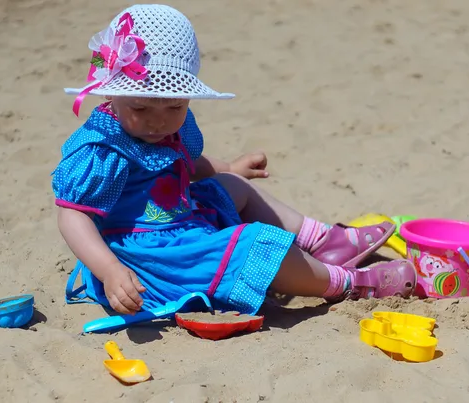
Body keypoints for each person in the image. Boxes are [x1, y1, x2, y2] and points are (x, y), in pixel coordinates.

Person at [52, 4, 417, 316]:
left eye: (175, 106)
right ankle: (347, 284)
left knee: (232, 188)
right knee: (254, 244)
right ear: (110, 92)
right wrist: (109, 269)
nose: (158, 121)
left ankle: (323, 241)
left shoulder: (166, 128)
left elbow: (181, 164)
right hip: (149, 255)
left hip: (181, 221)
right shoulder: (103, 148)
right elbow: (74, 214)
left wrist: (229, 168)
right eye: (141, 107)